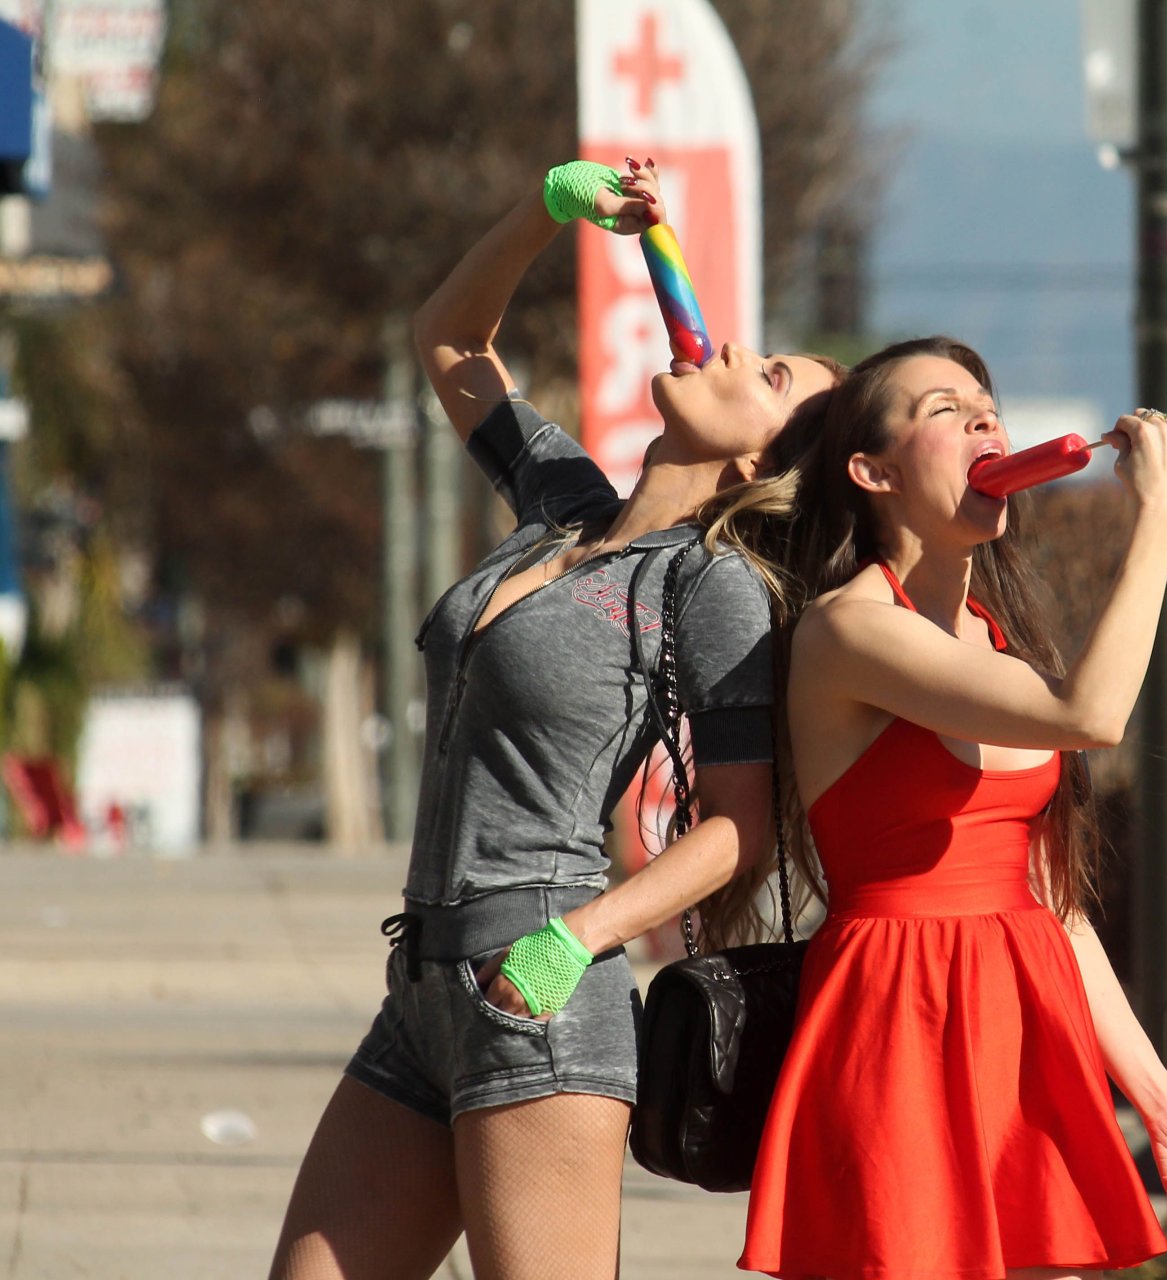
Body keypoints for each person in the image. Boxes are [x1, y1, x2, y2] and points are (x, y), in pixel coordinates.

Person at [269, 158, 842, 1279]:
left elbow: (742, 827)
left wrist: (577, 940)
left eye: (770, 372)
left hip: (540, 989)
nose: (730, 346)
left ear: (764, 459)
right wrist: (549, 207)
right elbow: (448, 339)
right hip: (423, 985)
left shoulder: (708, 586)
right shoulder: (565, 504)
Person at [740, 337, 1167, 1280]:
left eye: (987, 405)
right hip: (901, 1018)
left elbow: (1055, 906)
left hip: (1026, 1020)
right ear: (874, 473)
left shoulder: (995, 641)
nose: (985, 418)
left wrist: (1159, 1096)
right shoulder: (850, 628)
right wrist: (1159, 517)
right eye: (943, 409)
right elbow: (1093, 716)